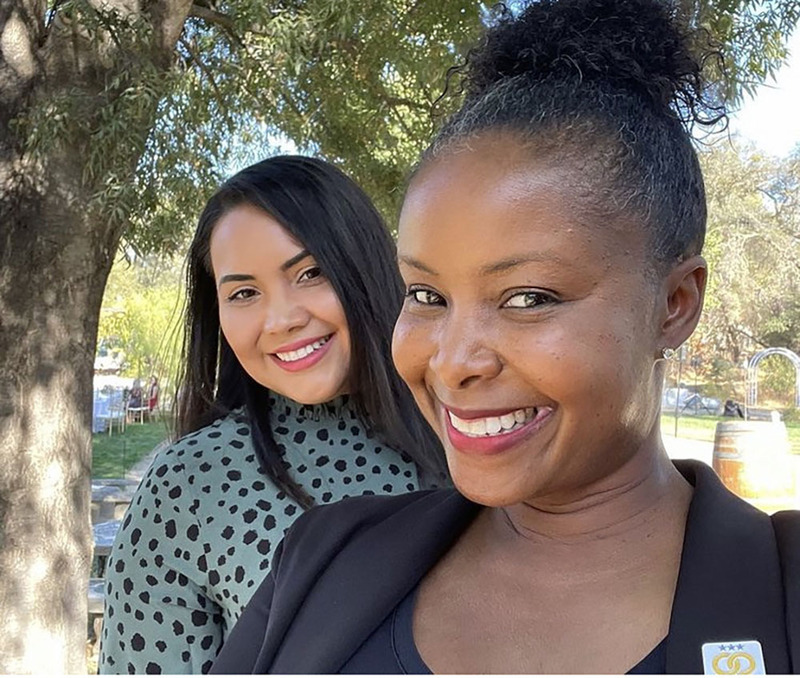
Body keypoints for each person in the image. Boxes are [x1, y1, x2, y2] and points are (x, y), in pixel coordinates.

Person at [211, 0, 800, 674]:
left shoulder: (781, 598)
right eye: (427, 295)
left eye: (527, 298)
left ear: (674, 304)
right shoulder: (324, 560)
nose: (453, 361)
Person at [98, 156, 443, 674]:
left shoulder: (474, 431)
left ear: (367, 267)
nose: (282, 319)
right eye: (243, 293)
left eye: (310, 273)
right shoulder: (191, 484)